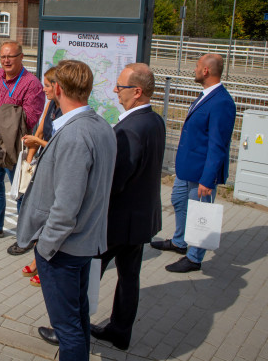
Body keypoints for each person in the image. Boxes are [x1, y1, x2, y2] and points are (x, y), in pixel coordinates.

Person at [16, 60, 117, 361]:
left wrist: (45, 247)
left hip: (64, 249)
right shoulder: (101, 126)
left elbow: (66, 205)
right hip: (84, 242)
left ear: (58, 89)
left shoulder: (75, 135)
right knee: (78, 317)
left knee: (68, 327)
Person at [90, 63, 166, 351]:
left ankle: (69, 330)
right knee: (129, 278)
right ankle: (120, 331)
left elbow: (115, 181)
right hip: (141, 218)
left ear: (136, 92)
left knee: (87, 273)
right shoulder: (154, 120)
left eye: (120, 86)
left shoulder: (130, 129)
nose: (114, 90)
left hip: (118, 221)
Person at [151, 53, 236, 273]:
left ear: (206, 70)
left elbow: (218, 145)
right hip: (187, 168)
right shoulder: (205, 95)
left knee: (200, 216)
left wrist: (208, 179)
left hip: (201, 173)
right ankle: (180, 242)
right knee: (178, 201)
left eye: (197, 66)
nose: (195, 69)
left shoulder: (222, 102)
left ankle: (194, 258)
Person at [0, 41, 45, 239]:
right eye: (2, 56)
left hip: (16, 144)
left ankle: (25, 234)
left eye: (10, 56)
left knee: (20, 190)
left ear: (21, 57)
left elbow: (29, 118)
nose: (6, 60)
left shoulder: (32, 84)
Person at [15, 67, 62, 287]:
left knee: (50, 218)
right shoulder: (51, 104)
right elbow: (40, 131)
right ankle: (38, 259)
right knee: (39, 216)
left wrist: (38, 143)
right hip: (44, 163)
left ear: (58, 87)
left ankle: (46, 264)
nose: (44, 89)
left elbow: (61, 146)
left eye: (47, 85)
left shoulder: (66, 111)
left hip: (57, 165)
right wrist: (29, 161)